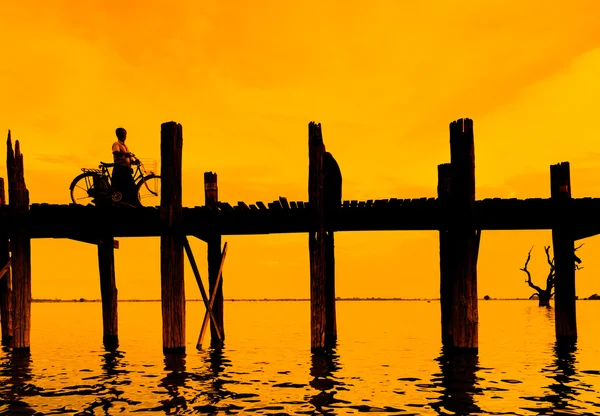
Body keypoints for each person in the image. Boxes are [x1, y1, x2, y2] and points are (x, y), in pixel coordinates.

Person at [112, 127, 141, 207]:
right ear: (118, 135)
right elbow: (116, 152)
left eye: (125, 134)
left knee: (127, 188)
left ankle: (130, 204)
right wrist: (124, 154)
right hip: (120, 169)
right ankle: (134, 204)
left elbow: (129, 159)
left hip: (126, 169)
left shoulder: (125, 146)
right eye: (122, 134)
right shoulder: (116, 144)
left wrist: (134, 161)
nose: (124, 136)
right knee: (131, 187)